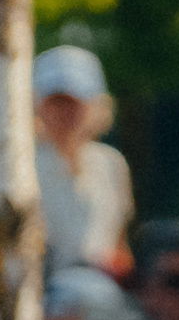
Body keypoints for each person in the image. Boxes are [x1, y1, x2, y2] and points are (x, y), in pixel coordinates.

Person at [32, 44, 134, 280]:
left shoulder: (111, 163)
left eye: (75, 101)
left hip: (102, 290)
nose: (66, 111)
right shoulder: (24, 165)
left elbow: (119, 245)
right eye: (57, 101)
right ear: (38, 104)